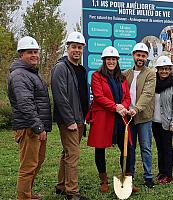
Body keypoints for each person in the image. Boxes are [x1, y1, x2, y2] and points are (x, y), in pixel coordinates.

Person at [8, 36, 52, 200]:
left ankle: (27, 193)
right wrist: (38, 127)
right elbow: (25, 103)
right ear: (21, 55)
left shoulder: (30, 73)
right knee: (28, 167)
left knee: (36, 163)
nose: (34, 55)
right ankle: (23, 197)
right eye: (29, 52)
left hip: (35, 126)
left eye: (36, 52)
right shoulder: (20, 75)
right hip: (29, 128)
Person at [85, 46, 133, 192]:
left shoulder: (122, 78)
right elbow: (98, 97)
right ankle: (103, 181)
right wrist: (115, 107)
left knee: (127, 148)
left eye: (113, 59)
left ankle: (127, 179)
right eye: (108, 59)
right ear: (104, 60)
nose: (111, 61)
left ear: (117, 61)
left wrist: (123, 107)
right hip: (103, 117)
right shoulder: (96, 76)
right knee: (100, 149)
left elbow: (127, 97)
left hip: (120, 116)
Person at [51, 32, 89, 200]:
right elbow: (60, 96)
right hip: (69, 120)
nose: (77, 50)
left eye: (79, 47)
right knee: (73, 155)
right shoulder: (61, 67)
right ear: (67, 48)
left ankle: (61, 186)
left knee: (67, 153)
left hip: (79, 119)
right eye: (73, 47)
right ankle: (72, 193)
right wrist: (69, 120)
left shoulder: (81, 69)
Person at [123, 42, 156, 189]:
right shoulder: (125, 74)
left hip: (143, 117)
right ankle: (130, 174)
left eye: (143, 55)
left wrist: (136, 108)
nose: (140, 58)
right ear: (133, 56)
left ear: (147, 57)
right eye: (138, 55)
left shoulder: (150, 74)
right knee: (130, 147)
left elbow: (148, 94)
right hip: (128, 118)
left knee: (146, 148)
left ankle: (148, 176)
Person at [152, 56, 173, 184]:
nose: (164, 71)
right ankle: (161, 172)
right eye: (162, 69)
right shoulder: (153, 82)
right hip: (154, 121)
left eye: (167, 69)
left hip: (167, 122)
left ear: (170, 70)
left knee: (167, 148)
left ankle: (168, 174)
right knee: (159, 148)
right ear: (157, 70)